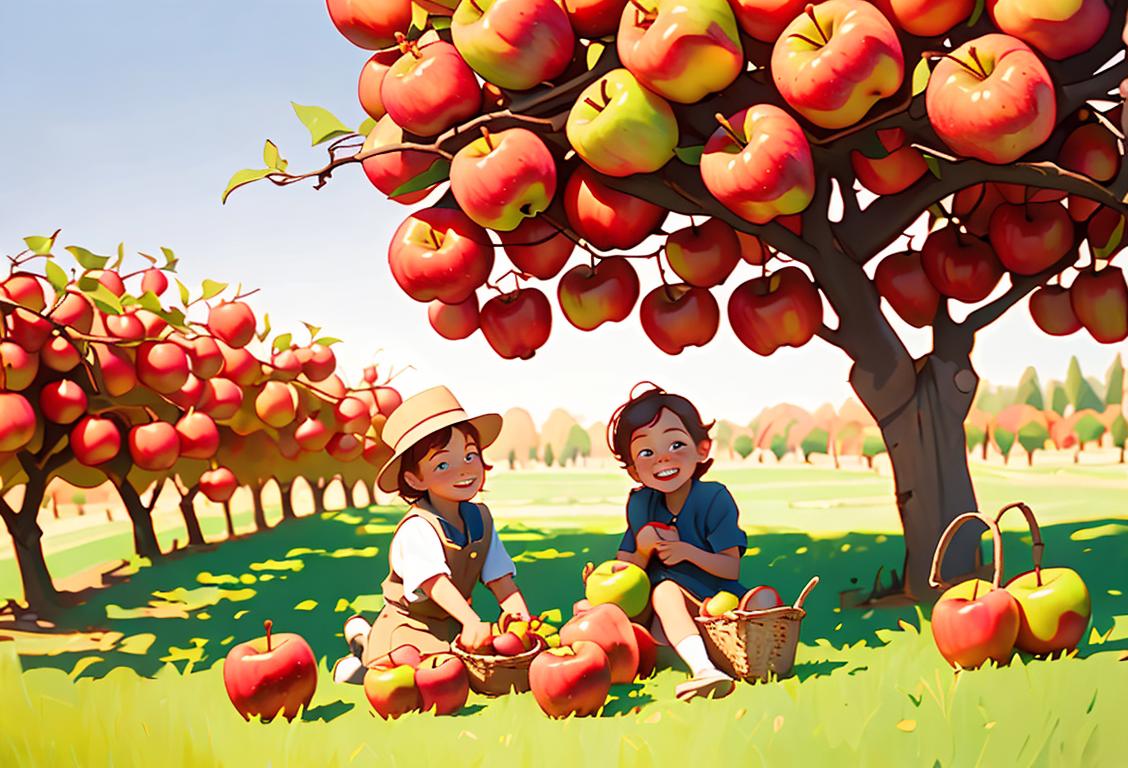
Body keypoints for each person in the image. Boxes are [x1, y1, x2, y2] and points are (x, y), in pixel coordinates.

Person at [333, 386, 530, 683]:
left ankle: (364, 638)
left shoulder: (481, 519)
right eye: (442, 464)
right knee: (413, 672)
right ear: (414, 478)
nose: (464, 470)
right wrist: (471, 621)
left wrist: (523, 622)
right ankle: (364, 651)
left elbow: (499, 578)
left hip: (453, 624)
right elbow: (434, 582)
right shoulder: (417, 528)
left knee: (457, 668)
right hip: (410, 627)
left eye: (470, 455)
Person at [609, 383, 748, 701]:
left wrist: (687, 552)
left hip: (711, 602)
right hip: (661, 615)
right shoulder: (642, 504)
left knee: (667, 592)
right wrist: (642, 550)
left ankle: (704, 669)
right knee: (594, 609)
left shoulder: (713, 498)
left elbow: (731, 568)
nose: (662, 458)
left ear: (702, 449)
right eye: (646, 452)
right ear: (633, 470)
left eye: (676, 444)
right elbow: (625, 571)